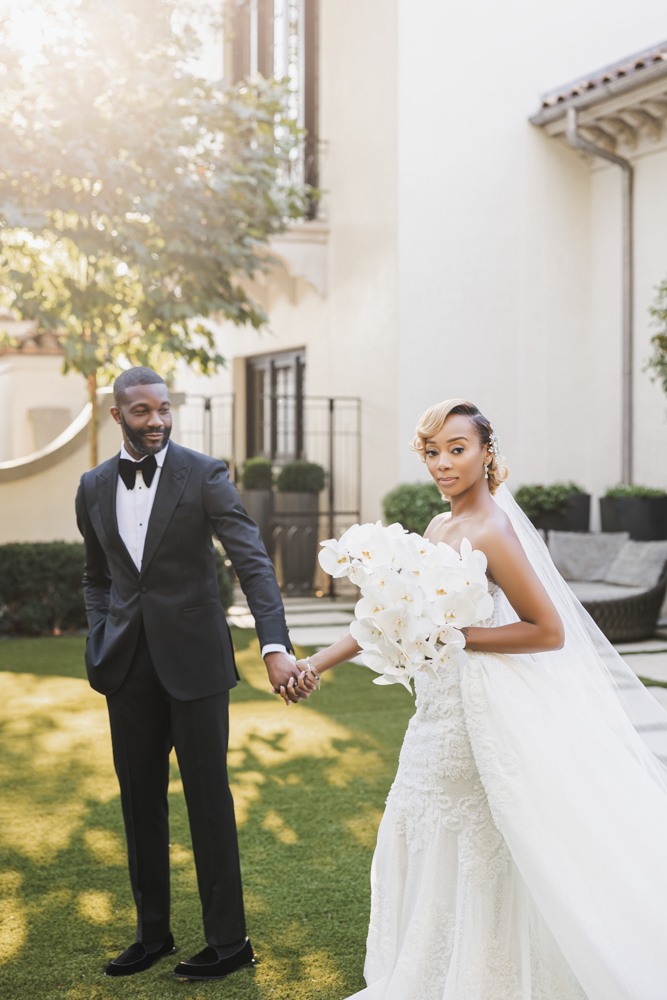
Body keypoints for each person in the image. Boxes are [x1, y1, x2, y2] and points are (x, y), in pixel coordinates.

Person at [296, 399, 667, 1000]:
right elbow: (392, 617)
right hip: (435, 712)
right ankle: (434, 970)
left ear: (487, 453)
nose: (443, 463)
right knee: (419, 824)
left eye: (457, 449)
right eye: (433, 451)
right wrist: (314, 663)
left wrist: (458, 637)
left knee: (479, 840)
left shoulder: (493, 529)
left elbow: (548, 630)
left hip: (481, 713)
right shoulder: (440, 527)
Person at [75, 367, 306, 981]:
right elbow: (96, 577)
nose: (157, 420)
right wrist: (100, 634)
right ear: (117, 415)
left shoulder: (204, 473)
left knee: (209, 804)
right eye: (143, 411)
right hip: (126, 667)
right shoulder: (93, 485)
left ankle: (229, 944)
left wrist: (274, 644)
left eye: (164, 409)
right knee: (139, 804)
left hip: (197, 664)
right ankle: (152, 935)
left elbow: (251, 560)